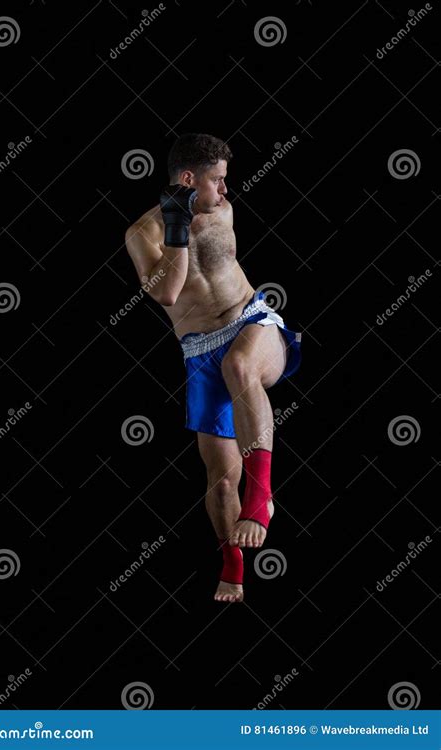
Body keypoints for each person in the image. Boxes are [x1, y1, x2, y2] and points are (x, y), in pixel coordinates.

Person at [125, 133, 301, 603]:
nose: (226, 191)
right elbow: (166, 292)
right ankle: (232, 563)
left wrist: (190, 216)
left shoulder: (221, 211)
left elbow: (219, 269)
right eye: (218, 180)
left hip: (252, 321)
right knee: (222, 483)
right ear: (188, 179)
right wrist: (177, 227)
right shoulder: (143, 234)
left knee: (241, 366)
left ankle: (262, 497)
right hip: (201, 349)